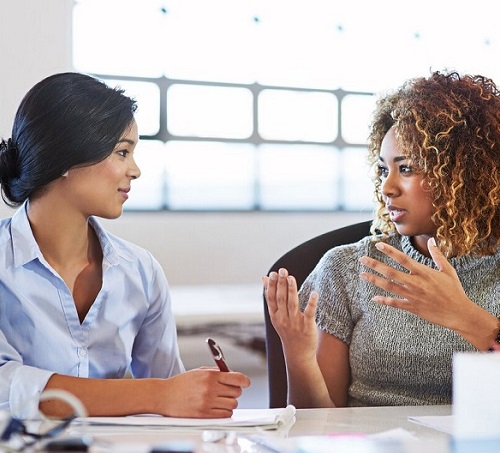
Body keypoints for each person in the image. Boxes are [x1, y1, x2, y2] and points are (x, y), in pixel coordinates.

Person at [0, 72, 250, 420]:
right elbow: (6, 389)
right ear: (66, 158)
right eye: (122, 152)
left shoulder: (141, 271)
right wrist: (157, 394)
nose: (135, 170)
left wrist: (196, 396)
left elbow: (170, 392)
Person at [264, 70, 500, 408]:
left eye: (406, 169)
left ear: (464, 173)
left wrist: (469, 319)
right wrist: (298, 354)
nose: (388, 187)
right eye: (383, 169)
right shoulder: (346, 269)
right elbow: (316, 425)